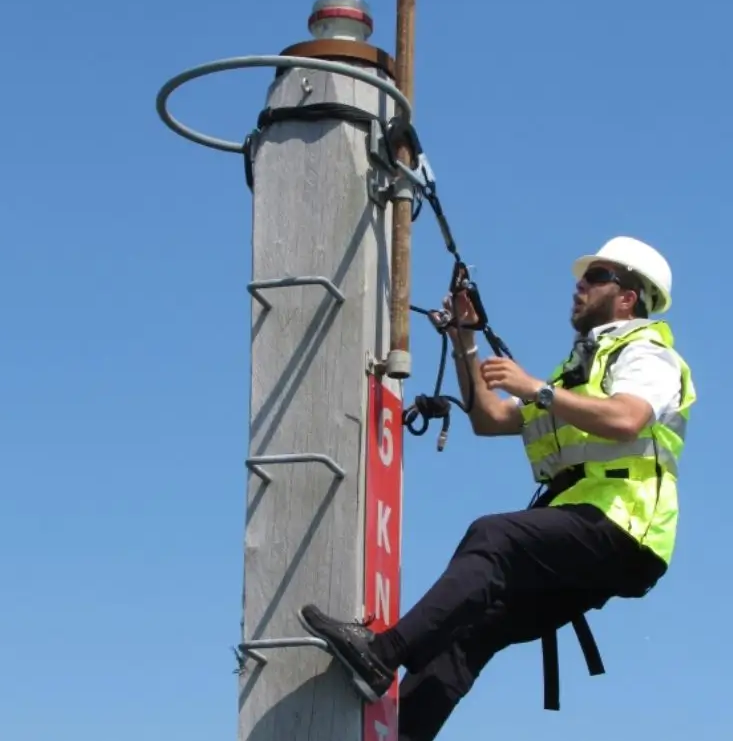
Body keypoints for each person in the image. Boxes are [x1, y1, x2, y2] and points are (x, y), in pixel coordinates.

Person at [298, 236, 697, 740]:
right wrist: (465, 339)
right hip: (593, 534)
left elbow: (627, 418)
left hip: (624, 528)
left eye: (598, 277)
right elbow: (489, 419)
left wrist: (537, 389)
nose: (580, 284)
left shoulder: (646, 353)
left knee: (494, 537)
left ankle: (381, 655)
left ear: (628, 297)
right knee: (468, 631)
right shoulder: (580, 370)